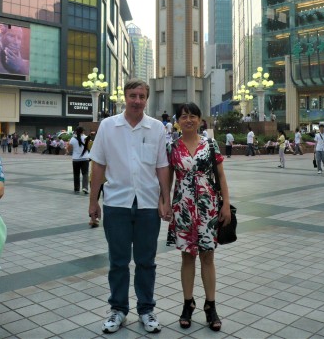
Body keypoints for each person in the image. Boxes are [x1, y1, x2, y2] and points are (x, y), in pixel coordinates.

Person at [89, 79, 171, 334]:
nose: (137, 100)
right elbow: (98, 165)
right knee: (118, 261)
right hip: (116, 204)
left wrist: (165, 199)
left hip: (147, 205)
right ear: (125, 96)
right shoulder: (108, 126)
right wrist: (93, 201)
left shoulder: (156, 128)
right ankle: (118, 310)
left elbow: (162, 166)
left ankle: (146, 310)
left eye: (141, 96)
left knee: (147, 261)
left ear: (147, 99)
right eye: (132, 95)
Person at [166, 102, 231, 332]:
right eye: (184, 116)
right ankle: (188, 303)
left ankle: (210, 305)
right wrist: (164, 202)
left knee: (207, 257)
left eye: (193, 116)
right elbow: (168, 178)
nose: (189, 120)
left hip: (208, 208)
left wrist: (226, 205)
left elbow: (221, 177)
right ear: (178, 120)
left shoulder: (210, 144)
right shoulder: (172, 146)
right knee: (186, 257)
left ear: (200, 120)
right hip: (183, 207)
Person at [67, 127, 90, 194]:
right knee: (85, 174)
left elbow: (69, 149)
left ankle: (77, 188)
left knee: (76, 174)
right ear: (83, 131)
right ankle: (85, 188)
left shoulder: (73, 139)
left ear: (76, 132)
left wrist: (69, 150)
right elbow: (90, 147)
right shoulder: (86, 138)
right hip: (85, 159)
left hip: (76, 159)